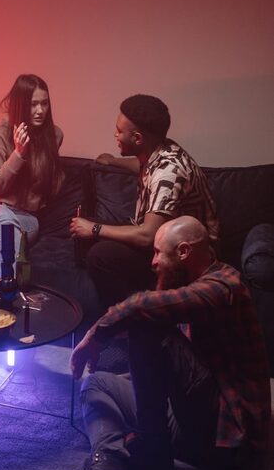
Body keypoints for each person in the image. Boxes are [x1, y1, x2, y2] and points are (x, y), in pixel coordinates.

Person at [53, 216, 271, 470]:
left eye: (158, 253)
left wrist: (96, 334)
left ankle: (152, 450)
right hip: (193, 424)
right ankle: (107, 466)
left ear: (184, 252)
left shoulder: (225, 286)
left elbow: (143, 306)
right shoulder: (193, 284)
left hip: (228, 438)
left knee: (146, 324)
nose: (153, 262)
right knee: (97, 383)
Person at [70, 94, 219, 312]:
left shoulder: (168, 174)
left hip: (182, 256)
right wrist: (113, 161)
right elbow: (143, 166)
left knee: (99, 255)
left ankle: (127, 315)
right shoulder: (160, 150)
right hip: (160, 236)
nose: (115, 134)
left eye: (119, 131)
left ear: (138, 138)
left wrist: (94, 229)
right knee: (83, 225)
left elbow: (148, 236)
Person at [0, 74, 64, 364]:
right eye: (33, 104)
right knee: (3, 220)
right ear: (20, 105)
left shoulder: (54, 136)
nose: (40, 110)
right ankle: (0, 318)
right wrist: (18, 153)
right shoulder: (1, 134)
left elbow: (47, 188)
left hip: (26, 219)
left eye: (44, 104)